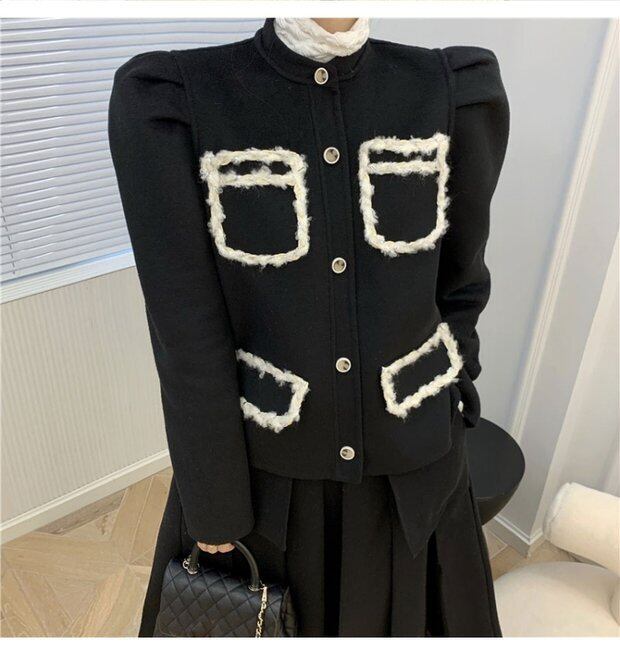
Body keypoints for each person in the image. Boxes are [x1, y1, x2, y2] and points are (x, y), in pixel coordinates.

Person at [108, 16, 510, 637]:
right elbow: (185, 328)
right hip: (267, 485)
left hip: (416, 474)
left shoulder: (449, 88)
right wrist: (214, 502)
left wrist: (454, 399)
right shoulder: (180, 99)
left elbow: (462, 284)